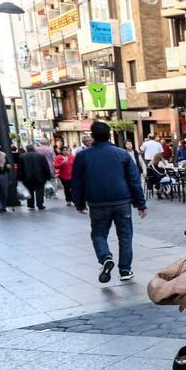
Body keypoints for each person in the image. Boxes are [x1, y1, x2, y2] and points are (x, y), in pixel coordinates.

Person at [72, 120, 147, 283]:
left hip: (97, 202)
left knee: (98, 234)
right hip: (122, 201)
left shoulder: (83, 156)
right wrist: (140, 203)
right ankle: (125, 270)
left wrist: (79, 202)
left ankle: (105, 258)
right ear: (109, 135)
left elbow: (77, 181)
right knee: (125, 235)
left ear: (92, 136)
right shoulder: (122, 154)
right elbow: (134, 180)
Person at [17, 144, 53, 210]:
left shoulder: (22, 156)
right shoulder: (40, 156)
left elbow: (20, 168)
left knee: (30, 191)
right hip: (40, 177)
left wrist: (20, 178)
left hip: (27, 177)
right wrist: (48, 176)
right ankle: (40, 204)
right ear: (34, 148)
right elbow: (46, 167)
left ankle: (31, 205)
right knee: (40, 191)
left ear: (27, 149)